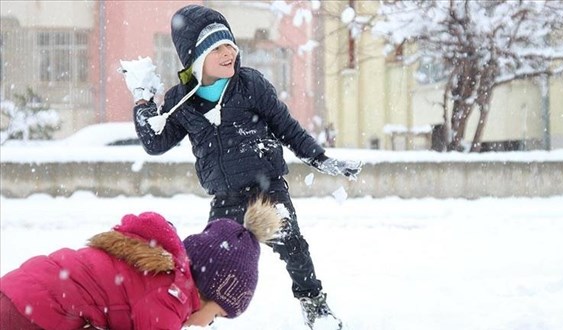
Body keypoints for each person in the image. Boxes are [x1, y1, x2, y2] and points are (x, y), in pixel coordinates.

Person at [121, 4, 362, 329]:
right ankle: (193, 316)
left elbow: (287, 128)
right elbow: (156, 142)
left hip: (267, 190)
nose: (228, 54)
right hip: (225, 198)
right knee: (206, 266)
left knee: (295, 249)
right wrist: (143, 101)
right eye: (217, 48)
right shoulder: (182, 101)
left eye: (230, 46)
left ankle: (314, 305)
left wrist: (321, 159)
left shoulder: (250, 85)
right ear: (195, 58)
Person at [0, 198, 281, 329]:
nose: (209, 325)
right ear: (205, 291)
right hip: (34, 314)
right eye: (217, 316)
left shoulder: (160, 271)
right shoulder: (171, 299)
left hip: (21, 293)